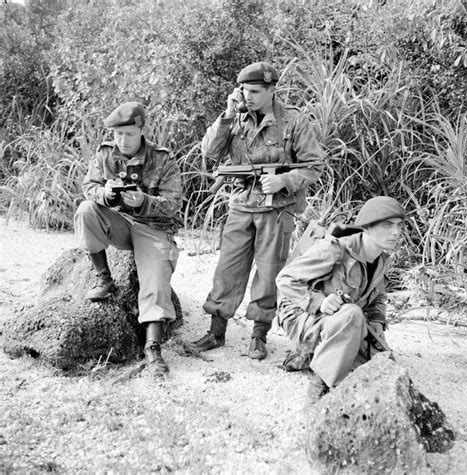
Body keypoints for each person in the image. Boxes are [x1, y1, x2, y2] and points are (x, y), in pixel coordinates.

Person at [191, 61, 326, 360]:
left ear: (271, 90)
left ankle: (258, 336)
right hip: (241, 204)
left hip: (277, 211)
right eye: (243, 90)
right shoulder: (235, 118)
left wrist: (284, 180)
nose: (247, 96)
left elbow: (315, 165)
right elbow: (209, 152)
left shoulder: (293, 121)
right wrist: (228, 114)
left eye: (254, 91)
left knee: (268, 273)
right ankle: (216, 331)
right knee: (227, 268)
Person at [74, 101, 182, 376]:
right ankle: (104, 279)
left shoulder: (162, 158)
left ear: (141, 130)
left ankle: (152, 348)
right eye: (117, 135)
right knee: (86, 210)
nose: (122, 141)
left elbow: (173, 204)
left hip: (153, 226)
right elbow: (89, 186)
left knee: (156, 276)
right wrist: (105, 196)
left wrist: (144, 200)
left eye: (129, 135)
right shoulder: (105, 154)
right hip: (119, 223)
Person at [276, 196, 406, 403]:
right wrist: (319, 302)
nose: (395, 232)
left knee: (384, 364)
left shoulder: (381, 259)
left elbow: (378, 296)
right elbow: (285, 279)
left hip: (340, 322)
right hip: (302, 317)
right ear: (367, 228)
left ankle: (310, 357)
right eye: (387, 225)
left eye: (399, 226)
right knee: (352, 315)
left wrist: (377, 320)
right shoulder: (335, 249)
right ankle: (319, 389)